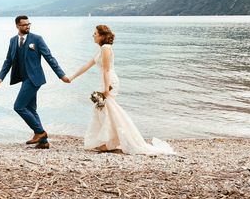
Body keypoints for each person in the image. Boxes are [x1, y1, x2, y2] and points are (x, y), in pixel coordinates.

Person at [70, 24, 175, 155]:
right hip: (105, 80)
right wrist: (71, 77)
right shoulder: (101, 49)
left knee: (107, 109)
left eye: (95, 34)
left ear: (102, 36)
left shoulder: (106, 48)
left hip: (109, 81)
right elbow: (87, 65)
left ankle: (112, 142)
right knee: (104, 110)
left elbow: (107, 69)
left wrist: (106, 88)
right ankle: (107, 142)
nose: (93, 35)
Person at [0, 15, 70, 149]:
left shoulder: (37, 39)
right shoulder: (13, 41)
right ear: (17, 26)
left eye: (29, 24)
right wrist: (1, 77)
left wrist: (61, 75)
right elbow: (8, 61)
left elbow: (49, 57)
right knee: (30, 109)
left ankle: (40, 132)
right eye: (24, 25)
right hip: (24, 79)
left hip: (35, 78)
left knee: (18, 106)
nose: (27, 26)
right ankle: (44, 142)